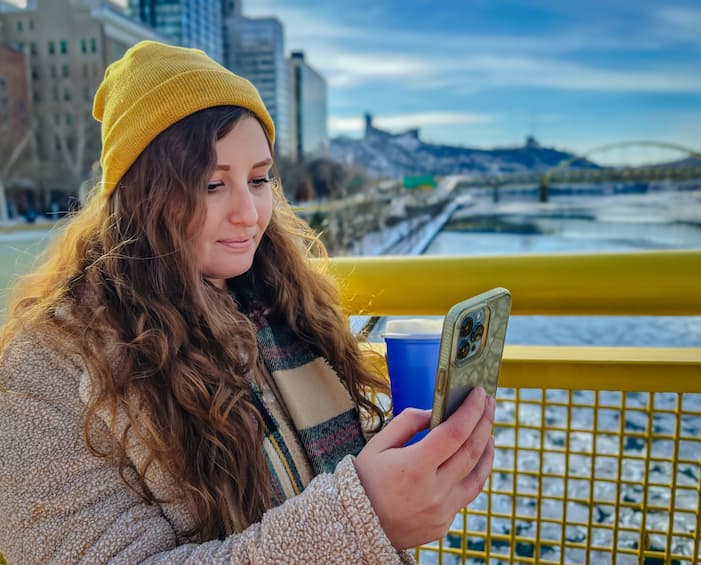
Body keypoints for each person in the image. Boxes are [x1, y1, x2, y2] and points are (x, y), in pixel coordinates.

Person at [0, 41, 495, 563]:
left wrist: (411, 470)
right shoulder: (43, 365)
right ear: (141, 197)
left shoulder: (279, 306)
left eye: (259, 179)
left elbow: (309, 467)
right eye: (212, 184)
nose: (249, 213)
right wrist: (363, 518)